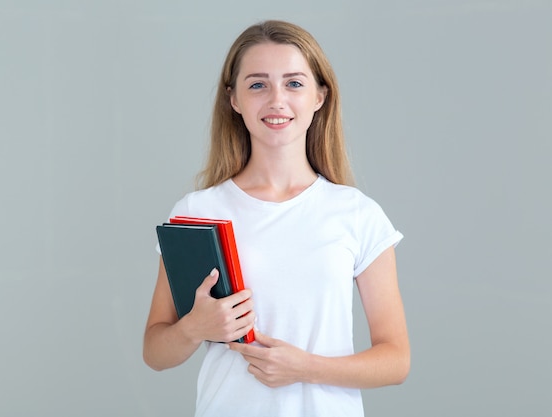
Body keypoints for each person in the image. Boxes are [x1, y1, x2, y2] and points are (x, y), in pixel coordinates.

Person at [143, 20, 409, 417]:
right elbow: (155, 352)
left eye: (294, 83)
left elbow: (396, 359)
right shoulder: (196, 212)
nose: (276, 100)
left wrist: (307, 368)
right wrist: (194, 328)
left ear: (320, 95)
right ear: (233, 99)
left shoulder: (356, 213)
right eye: (257, 84)